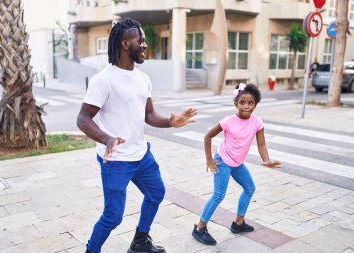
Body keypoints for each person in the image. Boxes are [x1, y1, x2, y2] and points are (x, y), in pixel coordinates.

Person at [77, 18, 197, 253]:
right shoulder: (103, 80)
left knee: (156, 193)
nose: (144, 45)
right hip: (116, 160)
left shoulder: (143, 79)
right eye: (140, 41)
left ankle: (140, 241)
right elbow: (83, 118)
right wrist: (106, 138)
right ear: (124, 44)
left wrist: (171, 122)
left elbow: (149, 114)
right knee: (113, 217)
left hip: (141, 155)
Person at [191, 83, 281, 245]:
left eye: (250, 103)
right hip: (223, 161)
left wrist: (266, 160)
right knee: (219, 194)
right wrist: (209, 159)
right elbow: (208, 136)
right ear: (236, 103)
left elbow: (261, 144)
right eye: (242, 102)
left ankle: (238, 223)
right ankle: (200, 227)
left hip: (237, 163)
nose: (246, 106)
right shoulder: (228, 121)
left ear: (255, 104)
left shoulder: (257, 122)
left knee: (249, 188)